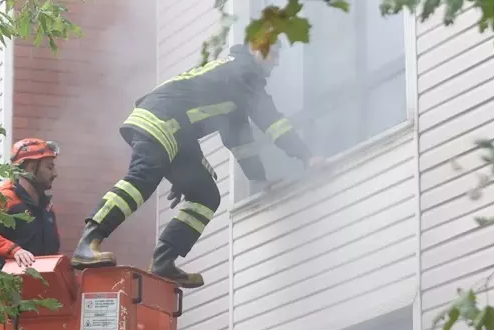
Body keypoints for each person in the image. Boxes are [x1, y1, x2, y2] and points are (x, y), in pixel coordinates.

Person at [72, 43, 321, 288]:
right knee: (144, 177)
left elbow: (239, 140)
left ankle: (163, 261)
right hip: (160, 120)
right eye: (272, 54)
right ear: (256, 49)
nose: (276, 62)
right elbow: (273, 123)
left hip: (177, 134)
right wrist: (307, 157)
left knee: (205, 195)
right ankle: (88, 242)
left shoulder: (236, 82)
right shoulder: (244, 73)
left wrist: (258, 178)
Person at [0, 137, 61, 269]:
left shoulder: (46, 207)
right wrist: (14, 250)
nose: (55, 173)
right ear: (31, 168)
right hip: (6, 279)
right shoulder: (4, 198)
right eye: (49, 167)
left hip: (39, 278)